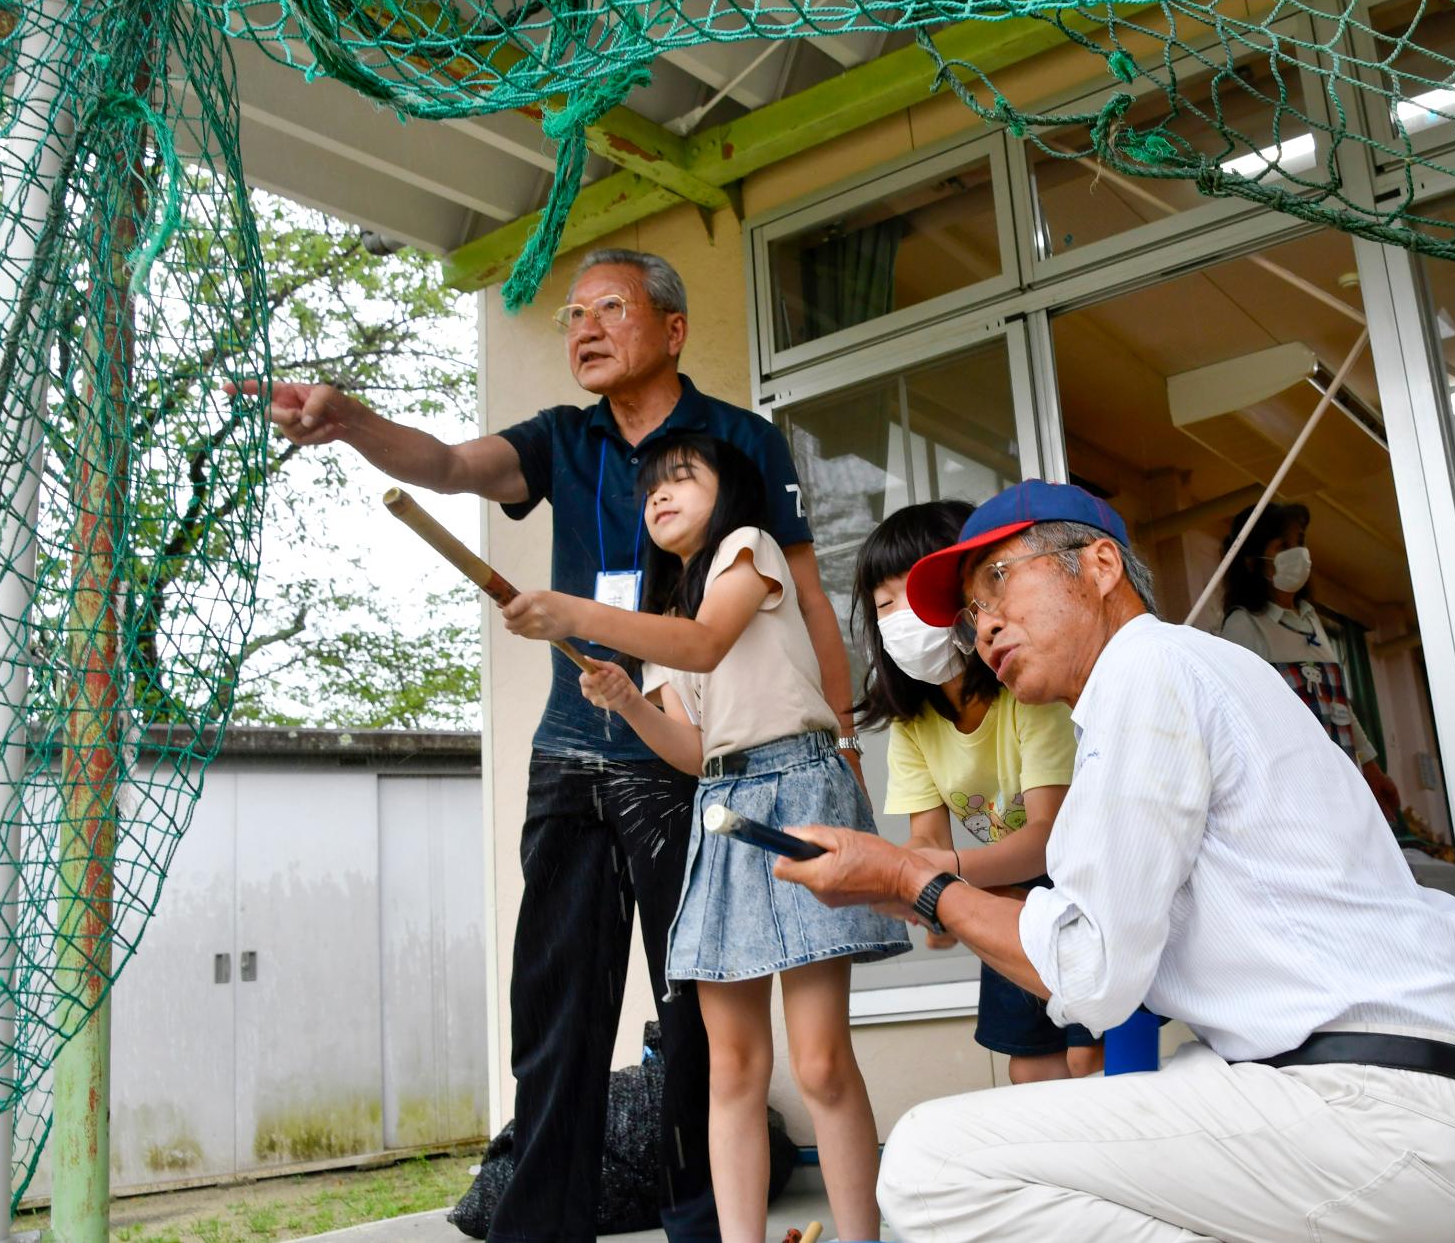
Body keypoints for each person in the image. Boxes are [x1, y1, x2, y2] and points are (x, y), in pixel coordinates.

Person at [227, 249, 856, 1243]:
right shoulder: (564, 439)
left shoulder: (740, 440)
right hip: (570, 748)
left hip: (685, 751)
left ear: (673, 327)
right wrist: (349, 423)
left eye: (609, 308)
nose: (583, 329)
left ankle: (699, 1218)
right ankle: (538, 1227)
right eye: (571, 316)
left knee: (695, 1003)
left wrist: (840, 738)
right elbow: (444, 466)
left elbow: (808, 594)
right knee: (554, 1000)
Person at [774, 480, 1455, 1243]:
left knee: (927, 1163)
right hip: (1371, 1093)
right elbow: (1099, 945)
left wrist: (914, 880)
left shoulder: (1144, 669)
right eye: (970, 613)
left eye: (998, 578)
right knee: (1110, 1103)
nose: (985, 624)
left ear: (1099, 566)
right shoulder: (1172, 672)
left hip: (1368, 1109)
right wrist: (920, 891)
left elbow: (1091, 971)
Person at [515, 429, 909, 1243]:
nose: (659, 493)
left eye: (681, 477)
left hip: (799, 788)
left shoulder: (748, 548)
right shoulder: (667, 614)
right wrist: (628, 699)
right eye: (650, 487)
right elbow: (693, 751)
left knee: (821, 1060)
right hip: (723, 807)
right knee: (729, 1067)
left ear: (723, 494)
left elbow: (708, 642)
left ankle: (861, 1236)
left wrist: (582, 614)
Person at [852, 501, 1101, 1083]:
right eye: (883, 605)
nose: (898, 618)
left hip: (1083, 889)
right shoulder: (913, 727)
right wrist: (911, 885)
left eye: (914, 596)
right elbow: (925, 839)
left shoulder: (1028, 694)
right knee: (1028, 1067)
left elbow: (1048, 839)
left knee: (1091, 1057)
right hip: (1002, 895)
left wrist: (943, 879)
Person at [1219, 501, 1402, 822]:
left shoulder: (1310, 618)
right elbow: (1246, 719)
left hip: (1338, 779)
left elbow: (1339, 706)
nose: (1297, 553)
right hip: (1295, 792)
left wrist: (1371, 767)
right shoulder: (1244, 625)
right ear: (1252, 562)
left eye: (1299, 542)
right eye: (1283, 546)